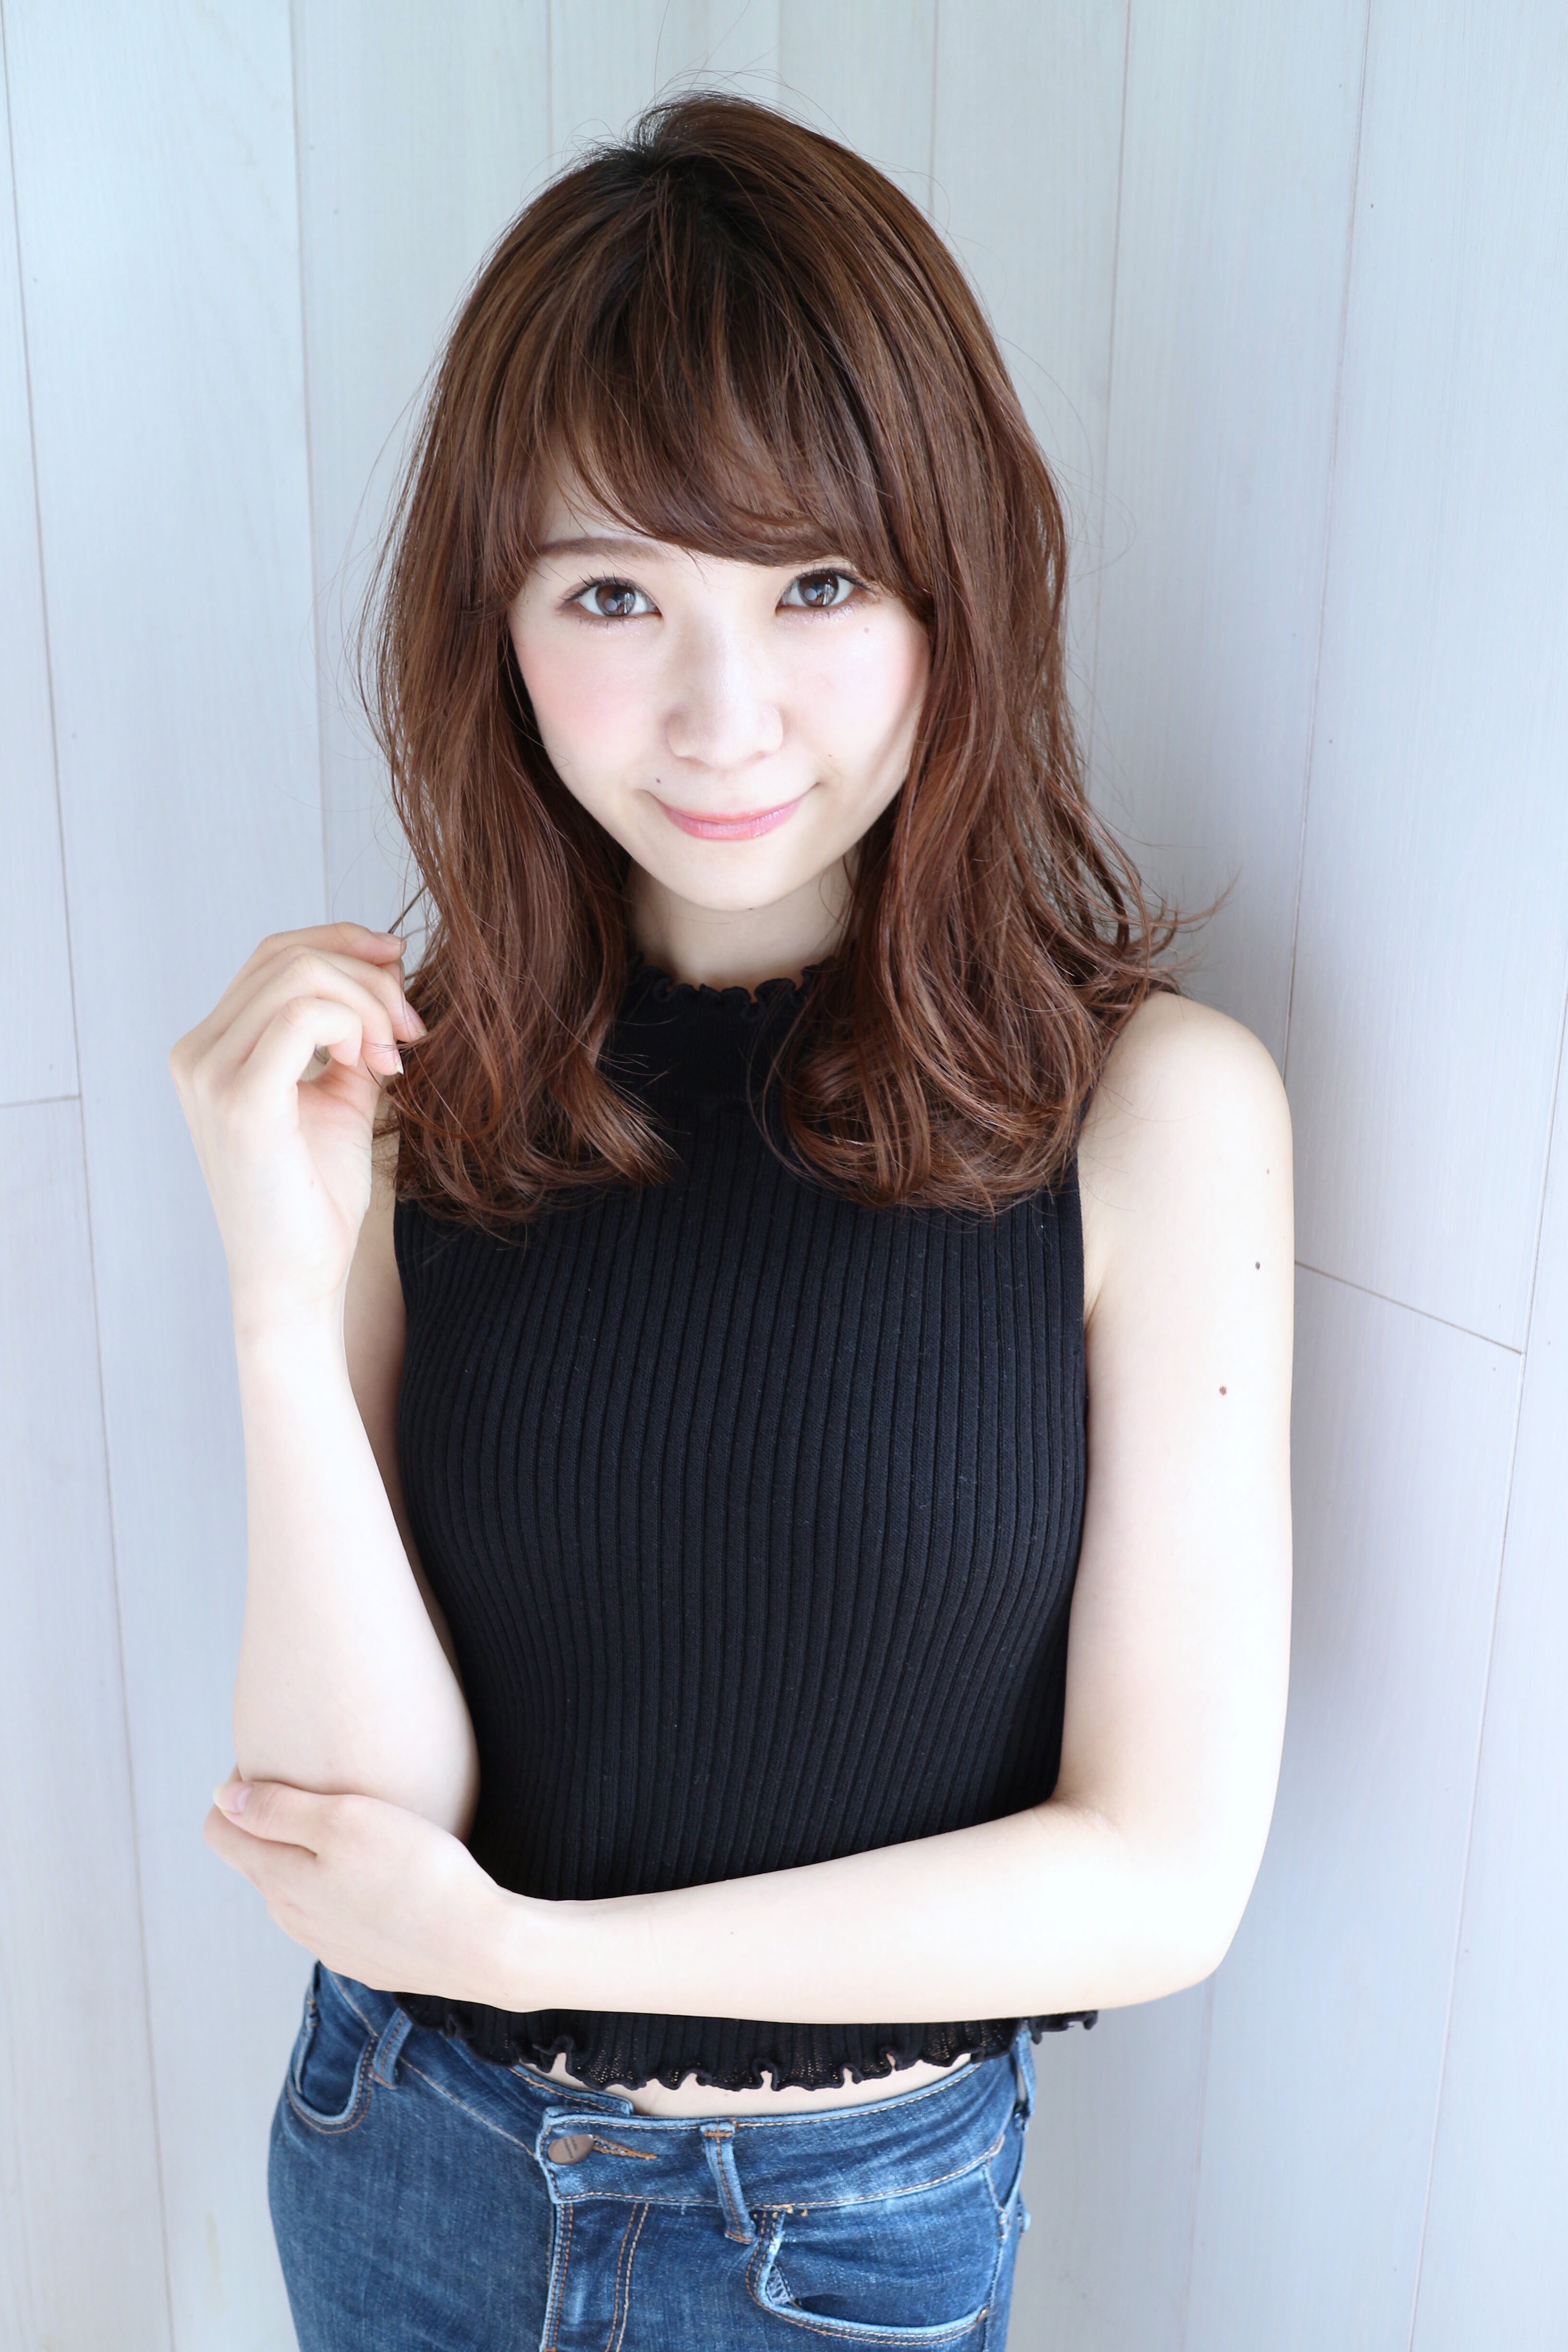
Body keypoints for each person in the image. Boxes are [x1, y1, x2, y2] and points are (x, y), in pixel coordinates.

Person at [169, 90, 1293, 2352]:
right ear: (497, 626)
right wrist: (280, 1294)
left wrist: (535, 1954)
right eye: (615, 593)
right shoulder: (426, 1102)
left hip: (834, 2237)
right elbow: (349, 1830)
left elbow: (1155, 1879)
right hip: (399, 2154)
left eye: (814, 585)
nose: (723, 712)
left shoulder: (1152, 1116)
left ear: (951, 581)